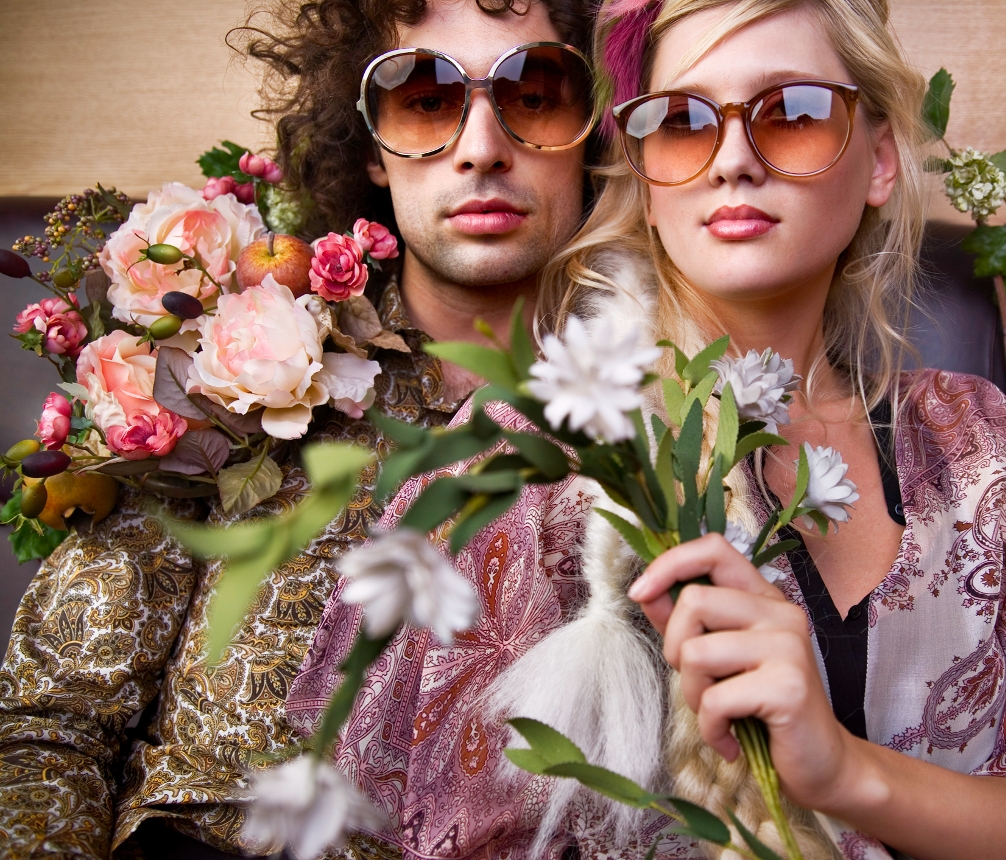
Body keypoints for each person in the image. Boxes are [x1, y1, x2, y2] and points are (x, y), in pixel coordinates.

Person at [291, 0, 1006, 857]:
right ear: (638, 167)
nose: (734, 162)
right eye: (680, 121)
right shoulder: (535, 458)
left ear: (879, 159)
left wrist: (844, 774)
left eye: (794, 113)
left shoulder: (974, 439)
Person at [0, 0, 597, 856]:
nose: (480, 147)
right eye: (426, 99)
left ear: (594, 131)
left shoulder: (657, 430)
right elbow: (49, 727)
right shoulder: (232, 363)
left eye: (534, 96)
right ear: (370, 150)